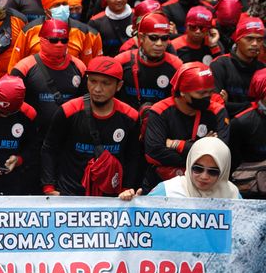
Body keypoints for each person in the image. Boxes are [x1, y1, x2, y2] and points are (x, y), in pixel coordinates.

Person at [41, 56, 141, 196]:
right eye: (93, 81)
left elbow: (133, 156)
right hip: (71, 194)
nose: (98, 89)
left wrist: (126, 189)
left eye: (106, 83)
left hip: (111, 196)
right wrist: (49, 187)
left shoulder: (131, 117)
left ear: (119, 86)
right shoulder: (68, 111)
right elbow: (49, 148)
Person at [143, 62, 230, 191]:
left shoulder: (217, 111)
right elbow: (154, 153)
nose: (207, 97)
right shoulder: (160, 110)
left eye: (210, 92)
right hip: (161, 182)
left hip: (205, 183)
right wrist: (200, 149)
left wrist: (178, 145)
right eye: (201, 93)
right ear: (183, 92)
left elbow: (219, 154)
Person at [115, 11, 183, 111]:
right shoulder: (121, 61)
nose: (159, 44)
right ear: (141, 37)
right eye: (153, 38)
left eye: (164, 38)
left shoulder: (176, 66)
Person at [146, 137, 240, 198]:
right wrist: (133, 201)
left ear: (223, 172)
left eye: (213, 172)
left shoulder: (233, 195)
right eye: (198, 169)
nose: (204, 176)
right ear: (189, 164)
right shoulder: (168, 190)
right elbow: (140, 219)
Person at [210, 16, 266, 116]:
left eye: (259, 39)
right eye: (249, 38)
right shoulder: (220, 65)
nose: (255, 44)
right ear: (238, 39)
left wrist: (228, 104)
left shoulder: (262, 70)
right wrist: (254, 105)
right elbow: (216, 106)